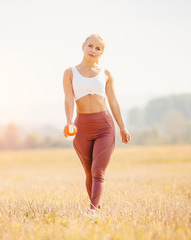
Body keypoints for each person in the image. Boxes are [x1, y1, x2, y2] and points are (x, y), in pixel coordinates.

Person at [62, 34, 131, 213]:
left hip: (104, 127)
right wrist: (69, 122)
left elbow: (113, 102)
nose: (93, 50)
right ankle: (97, 209)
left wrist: (122, 127)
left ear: (102, 52)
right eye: (90, 46)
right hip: (81, 127)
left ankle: (92, 211)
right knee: (88, 172)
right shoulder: (70, 73)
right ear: (83, 46)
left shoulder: (106, 74)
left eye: (98, 48)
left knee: (98, 171)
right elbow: (68, 99)